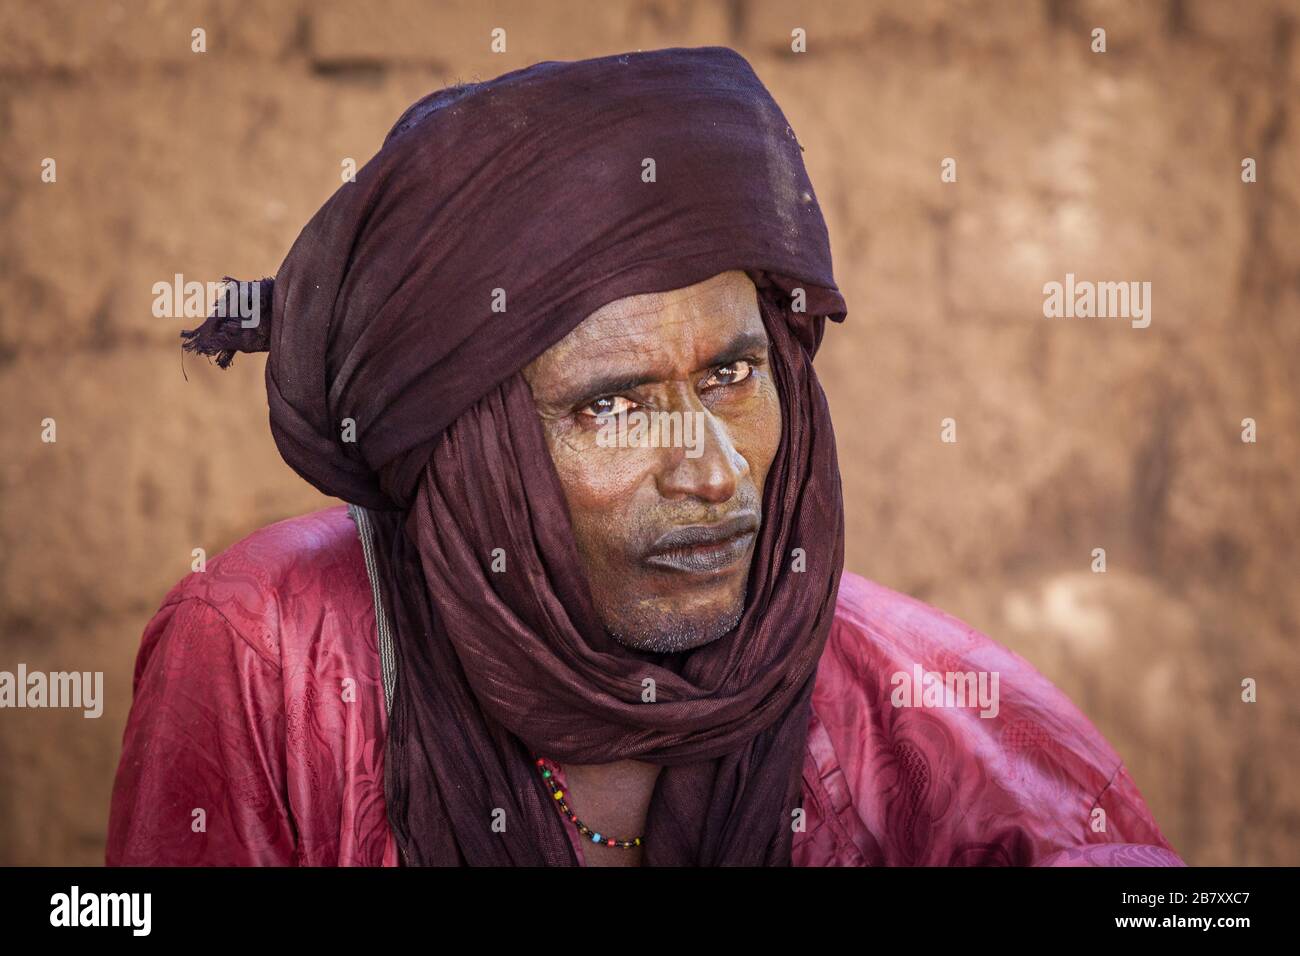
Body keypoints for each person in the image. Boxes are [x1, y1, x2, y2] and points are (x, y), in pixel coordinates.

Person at [106, 47, 1182, 867]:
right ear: (472, 451)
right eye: (613, 407)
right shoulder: (263, 652)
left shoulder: (927, 709)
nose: (712, 473)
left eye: (731, 376)